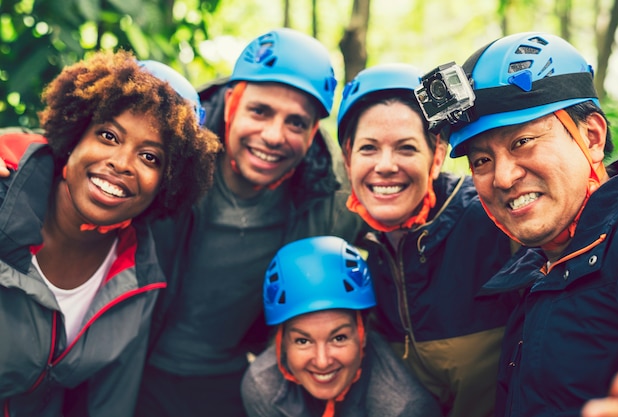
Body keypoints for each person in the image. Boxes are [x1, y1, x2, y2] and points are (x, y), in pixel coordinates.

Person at [135, 28, 362, 417]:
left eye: (295, 123)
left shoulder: (331, 196)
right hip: (128, 364)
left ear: (312, 134)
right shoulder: (172, 147)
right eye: (260, 112)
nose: (273, 136)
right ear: (232, 102)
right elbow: (83, 149)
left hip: (234, 380)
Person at [0, 50, 220, 417]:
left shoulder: (141, 281)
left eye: (150, 157)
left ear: (166, 185)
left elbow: (111, 405)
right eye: (108, 135)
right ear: (74, 136)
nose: (121, 163)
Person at [423, 31, 618, 416]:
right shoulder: (539, 274)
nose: (502, 177)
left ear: (592, 136)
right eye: (481, 161)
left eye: (522, 141)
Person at [336, 63, 519, 417]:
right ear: (347, 158)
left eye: (405, 148)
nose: (385, 165)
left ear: (436, 155)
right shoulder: (363, 250)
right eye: (368, 148)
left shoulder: (493, 218)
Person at [241, 235, 442, 417]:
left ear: (363, 333)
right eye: (302, 341)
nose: (322, 362)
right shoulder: (264, 386)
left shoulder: (403, 408)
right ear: (282, 342)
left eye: (339, 338)